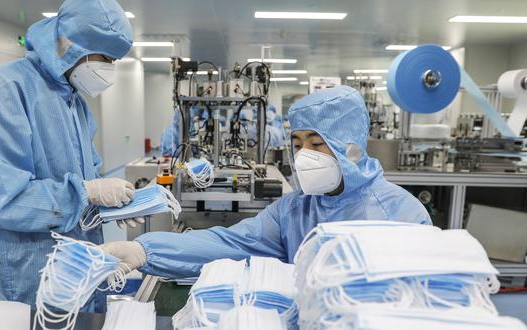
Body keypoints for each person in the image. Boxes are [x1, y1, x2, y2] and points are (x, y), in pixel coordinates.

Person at [102, 86, 431, 278]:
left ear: (351, 146)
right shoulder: (295, 210)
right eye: (297, 144)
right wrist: (144, 250)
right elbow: (230, 243)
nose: (304, 157)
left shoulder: (402, 215)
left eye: (316, 145)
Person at [0, 0, 139, 311]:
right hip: (25, 279)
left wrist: (112, 205)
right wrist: (87, 192)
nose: (109, 68)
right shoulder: (3, 91)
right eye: (106, 57)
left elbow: (88, 176)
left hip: (76, 270)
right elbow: (3, 200)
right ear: (72, 44)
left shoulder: (73, 102)